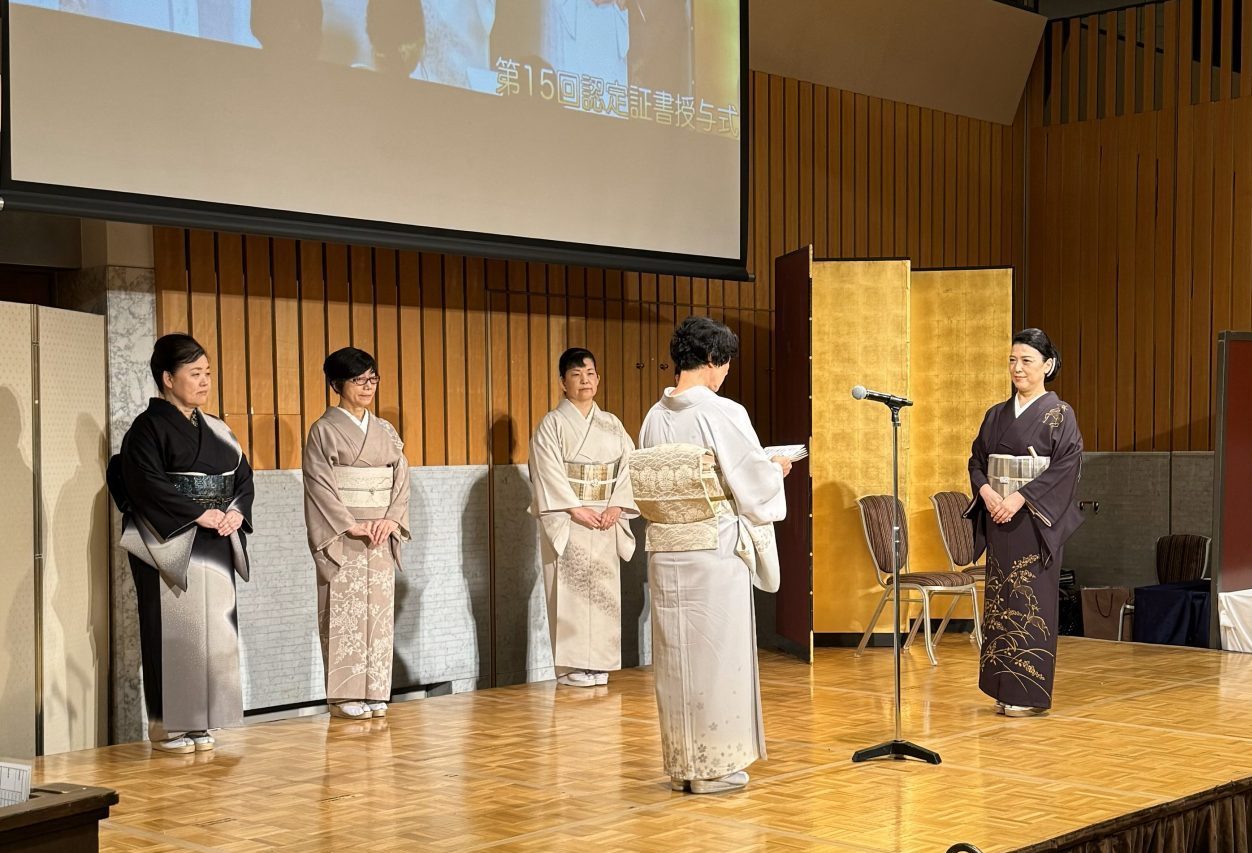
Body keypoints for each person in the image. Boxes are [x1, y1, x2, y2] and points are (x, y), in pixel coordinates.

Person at [635, 316, 790, 794]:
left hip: (667, 549)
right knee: (718, 657)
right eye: (725, 365)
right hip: (713, 547)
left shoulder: (654, 416)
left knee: (677, 659)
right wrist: (777, 468)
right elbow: (752, 483)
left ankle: (685, 762)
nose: (725, 375)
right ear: (713, 361)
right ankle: (715, 766)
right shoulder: (721, 411)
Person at [109, 334, 253, 755]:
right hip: (170, 543)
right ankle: (169, 726)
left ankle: (201, 719)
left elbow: (242, 477)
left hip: (215, 539)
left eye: (207, 373)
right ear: (168, 379)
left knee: (212, 630)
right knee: (172, 632)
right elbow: (144, 483)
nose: (205, 381)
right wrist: (197, 512)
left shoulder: (218, 429)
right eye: (195, 374)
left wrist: (237, 511)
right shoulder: (147, 428)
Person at [966, 328, 1084, 718]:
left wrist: (1020, 498)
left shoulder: (1060, 414)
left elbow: (1067, 466)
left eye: (1027, 361)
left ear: (1047, 366)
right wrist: (987, 493)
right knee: (1001, 601)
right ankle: (1002, 687)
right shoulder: (996, 414)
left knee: (1030, 600)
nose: (1017, 368)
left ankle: (1029, 692)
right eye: (1013, 360)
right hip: (1000, 516)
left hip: (1034, 522)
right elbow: (977, 460)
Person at [303, 348, 411, 720]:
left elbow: (401, 477)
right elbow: (318, 483)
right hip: (345, 532)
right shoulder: (323, 430)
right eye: (359, 380)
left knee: (378, 612)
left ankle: (376, 689)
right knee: (344, 609)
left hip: (380, 530)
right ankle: (346, 693)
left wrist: (392, 519)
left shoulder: (385, 430)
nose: (368, 387)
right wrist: (348, 523)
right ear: (336, 384)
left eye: (372, 379)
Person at [528, 348, 637, 687]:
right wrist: (575, 509)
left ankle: (600, 661)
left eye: (590, 373)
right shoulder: (552, 424)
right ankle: (572, 665)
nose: (585, 380)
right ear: (563, 382)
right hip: (571, 520)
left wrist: (616, 507)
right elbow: (546, 472)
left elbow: (629, 467)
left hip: (605, 517)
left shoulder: (612, 424)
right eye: (576, 374)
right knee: (570, 591)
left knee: (603, 592)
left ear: (598, 378)